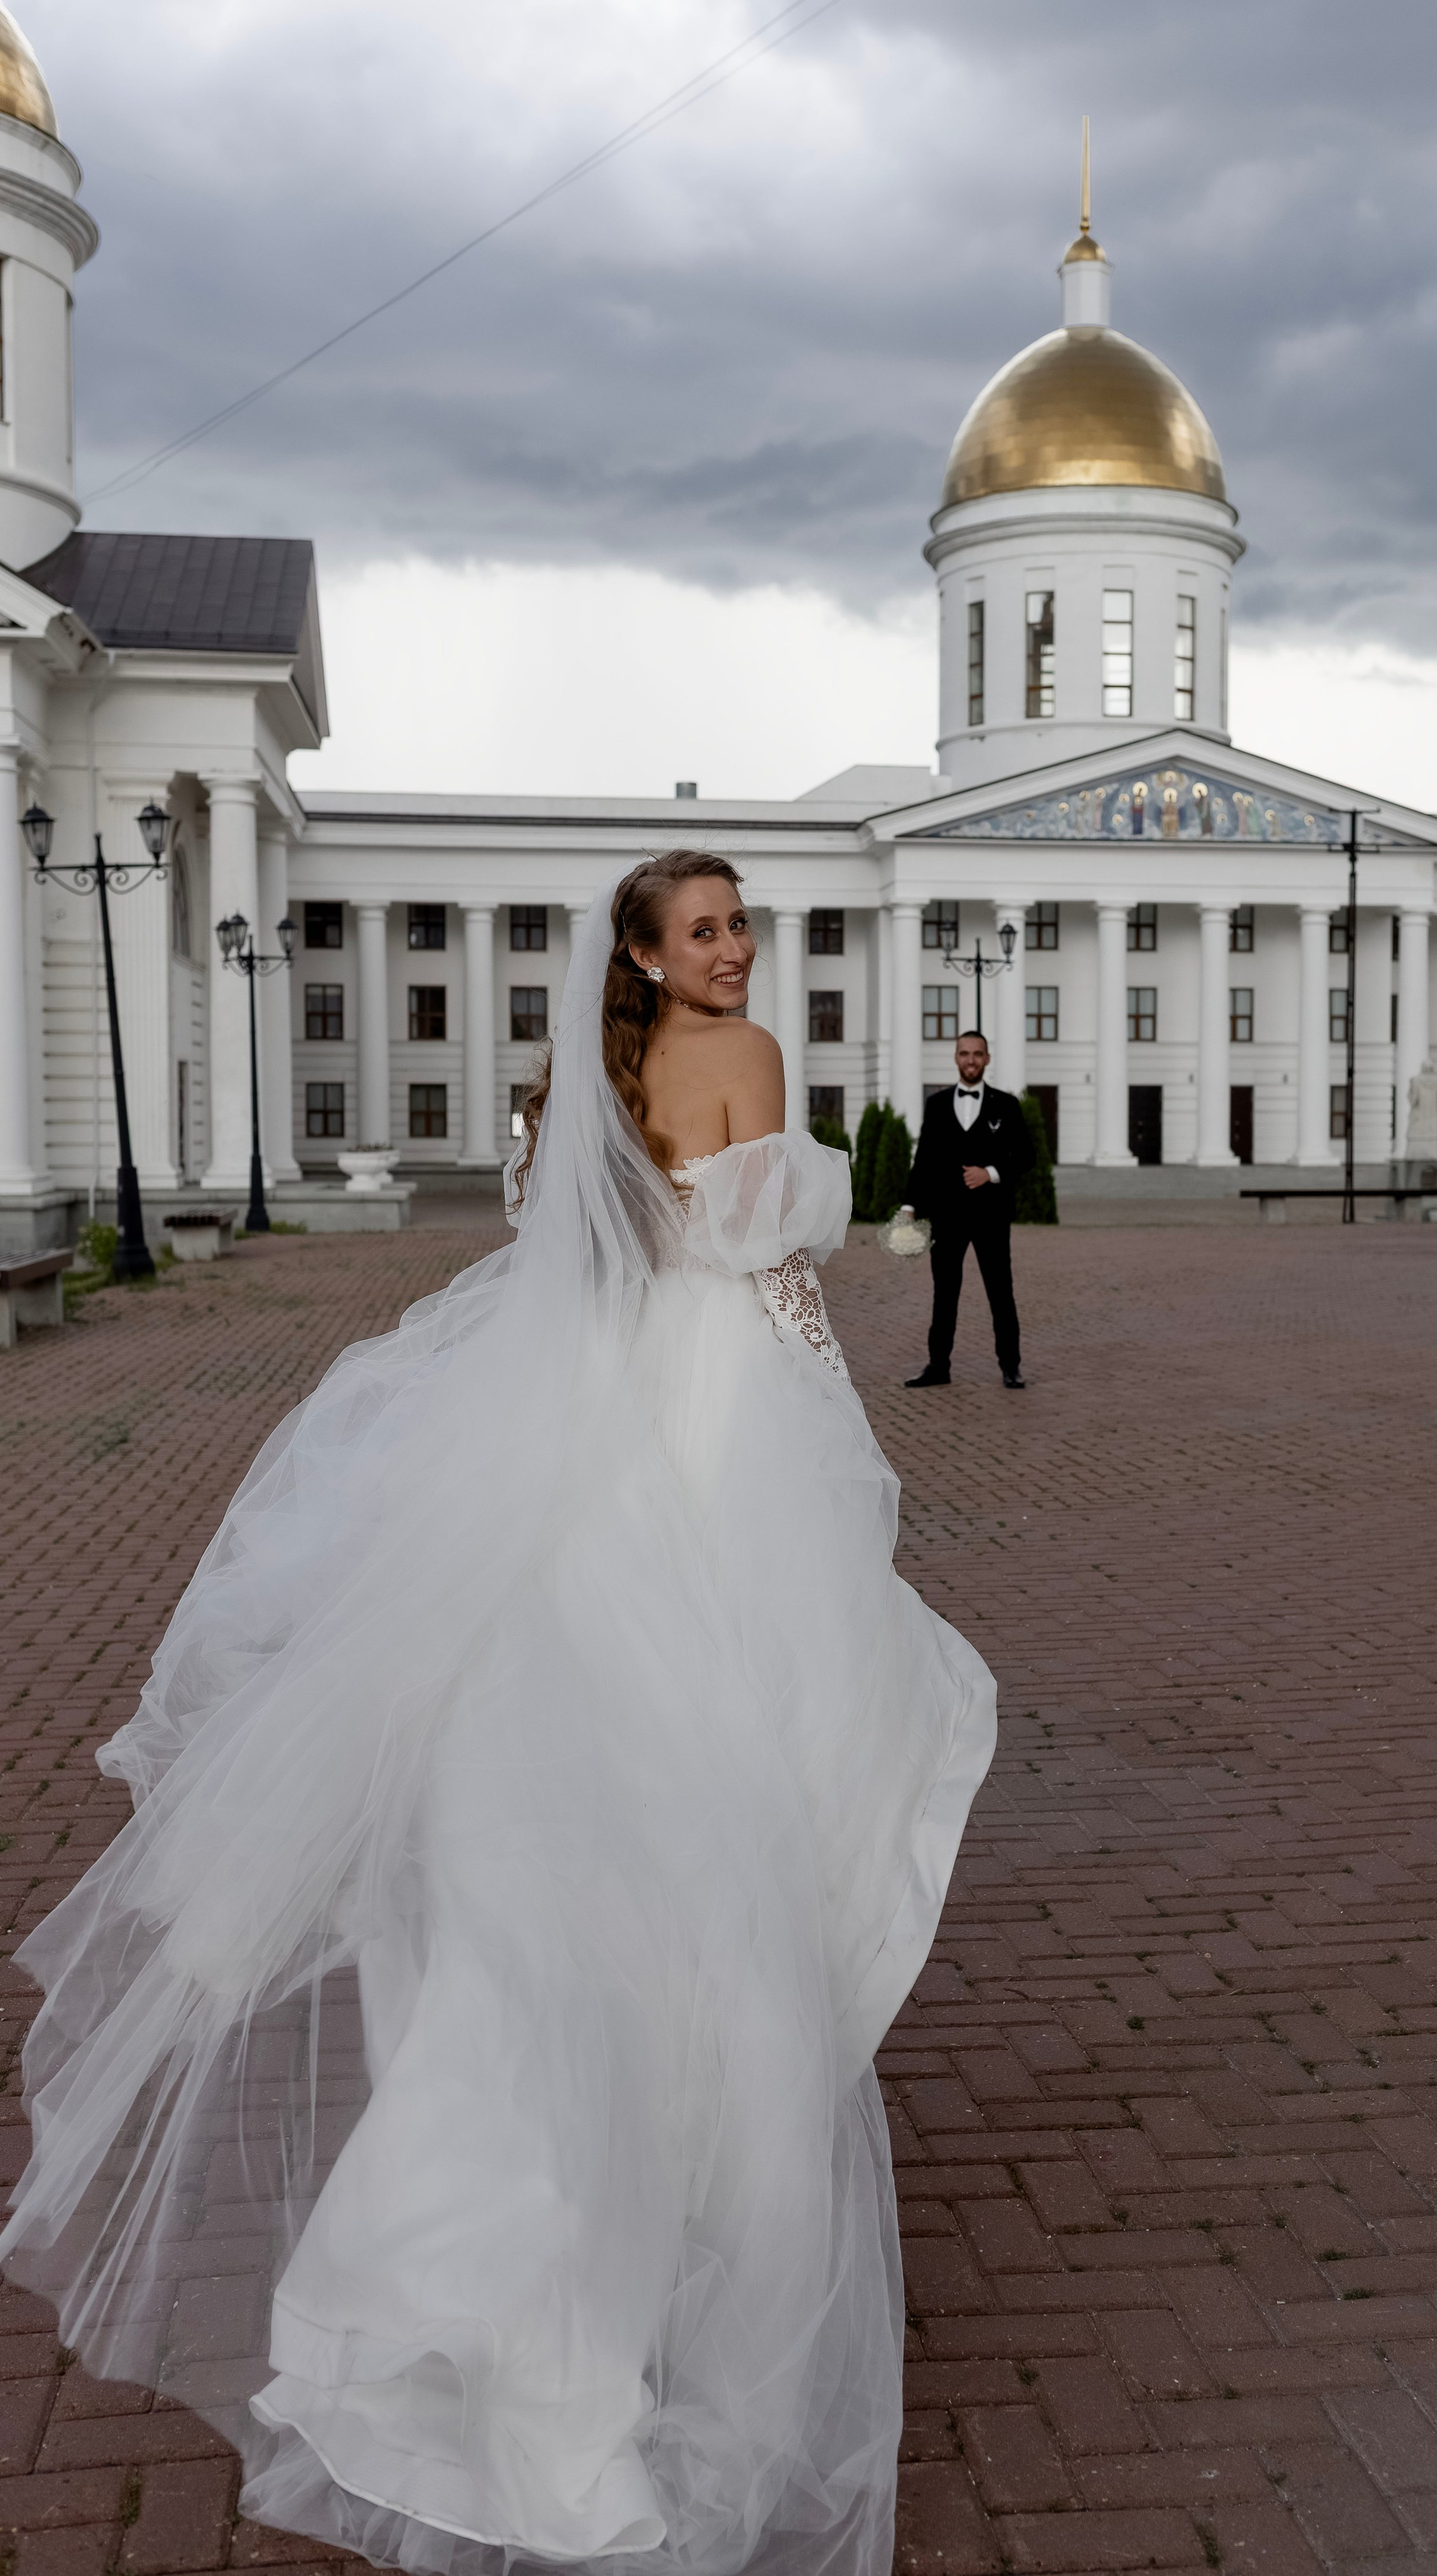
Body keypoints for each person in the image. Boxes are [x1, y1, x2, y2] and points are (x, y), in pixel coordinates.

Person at [1, 851, 996, 2576]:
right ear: (645, 949)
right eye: (703, 929)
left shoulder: (565, 1091)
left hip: (578, 1467)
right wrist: (849, 1470)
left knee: (545, 1876)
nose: (733, 948)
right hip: (717, 1450)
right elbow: (782, 1297)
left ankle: (487, 2294)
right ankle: (651, 2261)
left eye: (737, 924)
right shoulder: (746, 1060)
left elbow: (573, 1274)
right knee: (736, 1854)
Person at [902, 1029, 1033, 1389]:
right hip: (946, 1217)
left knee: (1000, 1292)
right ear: (956, 1058)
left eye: (978, 1054)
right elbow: (924, 1159)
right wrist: (910, 1205)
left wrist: (990, 1173)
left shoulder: (1006, 1105)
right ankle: (938, 1367)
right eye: (965, 1053)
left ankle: (1011, 1366)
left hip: (991, 1217)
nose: (971, 1060)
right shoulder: (938, 1103)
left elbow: (1026, 1156)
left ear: (987, 1059)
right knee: (944, 1294)